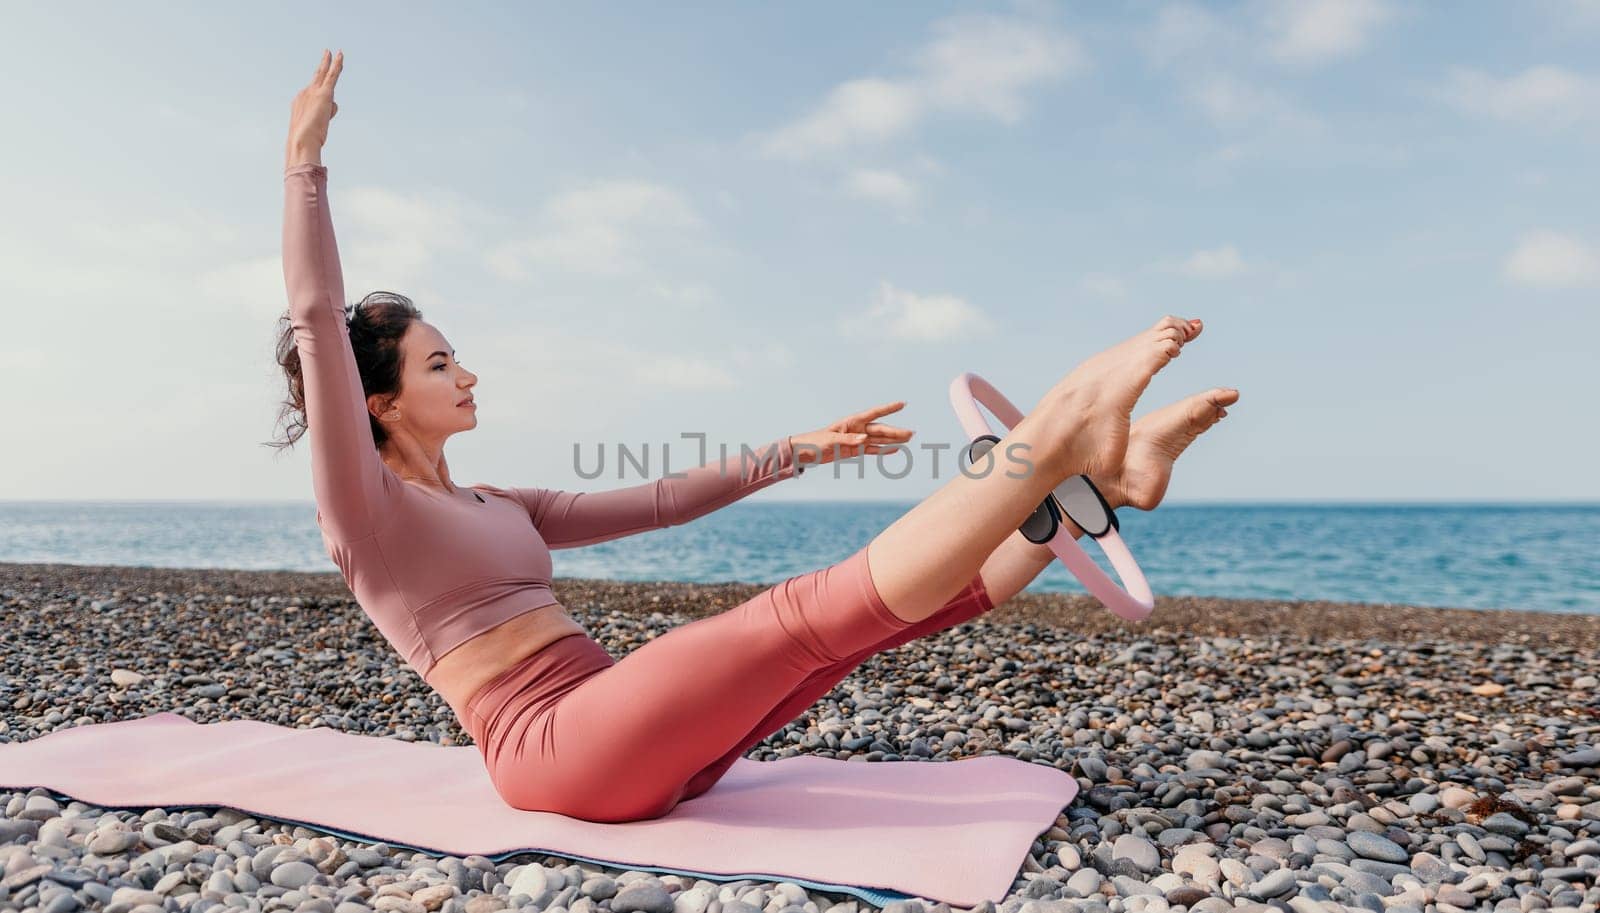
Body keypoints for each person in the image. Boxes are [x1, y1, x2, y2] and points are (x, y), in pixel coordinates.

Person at [272, 50, 1241, 823]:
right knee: (800, 613)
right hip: (558, 750)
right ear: (380, 404)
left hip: (641, 746)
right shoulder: (364, 512)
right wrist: (304, 168)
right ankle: (1067, 427)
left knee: (847, 639)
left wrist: (799, 449)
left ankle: (1092, 488)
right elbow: (317, 317)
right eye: (440, 365)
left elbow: (660, 502)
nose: (468, 373)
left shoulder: (494, 503)